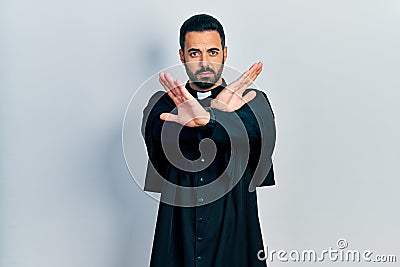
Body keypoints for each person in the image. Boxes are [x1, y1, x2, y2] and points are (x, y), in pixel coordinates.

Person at [141, 14, 276, 267]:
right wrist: (215, 113)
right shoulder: (162, 105)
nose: (205, 62)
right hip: (177, 231)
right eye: (194, 53)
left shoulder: (252, 101)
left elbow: (256, 135)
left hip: (234, 229)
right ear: (182, 56)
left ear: (225, 53)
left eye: (212, 52)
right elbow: (159, 140)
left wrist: (211, 118)